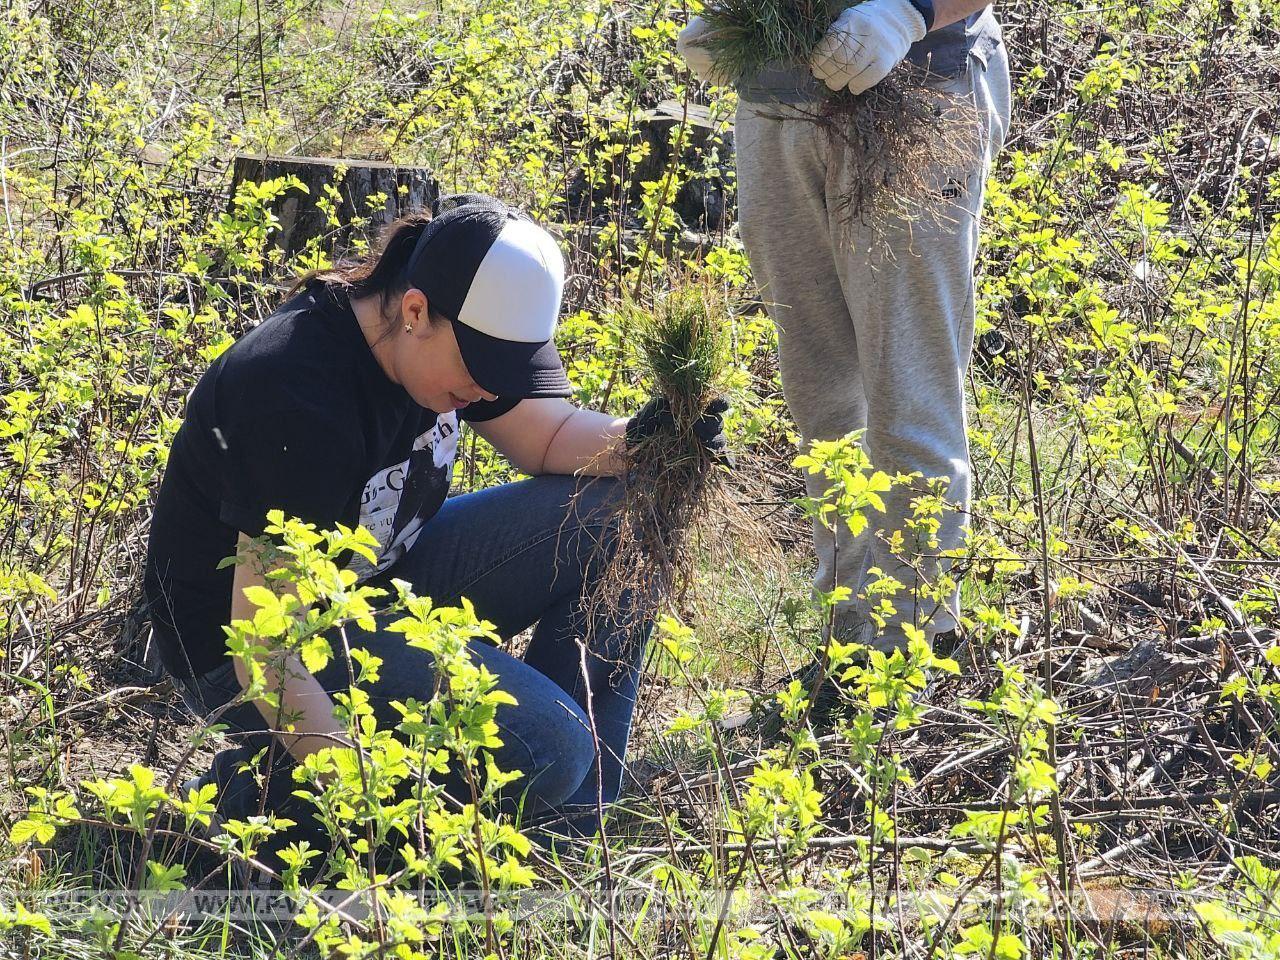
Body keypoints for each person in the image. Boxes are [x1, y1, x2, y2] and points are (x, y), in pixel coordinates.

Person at [143, 193, 727, 883]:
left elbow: (545, 437)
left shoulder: (454, 340)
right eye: (479, 372)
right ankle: (246, 798)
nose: (486, 393)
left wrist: (648, 440)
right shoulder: (295, 391)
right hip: (252, 649)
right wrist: (352, 797)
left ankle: (563, 834)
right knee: (552, 745)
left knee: (624, 514)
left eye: (504, 373)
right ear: (415, 310)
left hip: (375, 586)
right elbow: (264, 647)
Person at [677, 1, 1011, 684]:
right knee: (822, 398)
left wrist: (912, 11)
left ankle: (916, 650)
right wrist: (730, 21)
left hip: (918, 93)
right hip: (774, 109)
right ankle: (849, 646)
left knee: (908, 393)